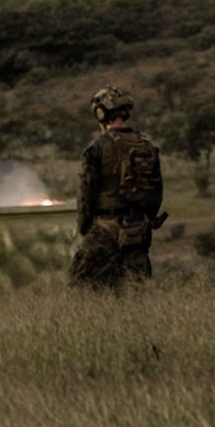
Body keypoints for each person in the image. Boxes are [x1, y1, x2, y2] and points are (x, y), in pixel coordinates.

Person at [70, 87, 165, 292]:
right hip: (139, 229)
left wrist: (84, 227)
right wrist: (146, 220)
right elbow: (157, 191)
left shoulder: (97, 147)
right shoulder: (146, 145)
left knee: (81, 290)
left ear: (100, 113)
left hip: (106, 228)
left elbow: (86, 194)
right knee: (136, 290)